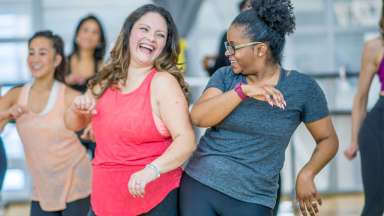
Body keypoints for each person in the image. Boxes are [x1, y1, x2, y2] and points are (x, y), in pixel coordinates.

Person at [180, 0, 339, 215]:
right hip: (201, 184)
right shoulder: (226, 77)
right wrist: (242, 92)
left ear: (260, 49)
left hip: (254, 199)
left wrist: (307, 173)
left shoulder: (302, 88)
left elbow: (328, 140)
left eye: (233, 47)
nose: (228, 54)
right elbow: (198, 116)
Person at [64, 4, 196, 216]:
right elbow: (72, 124)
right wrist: (76, 108)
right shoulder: (105, 81)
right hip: (103, 201)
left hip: (153, 200)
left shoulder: (163, 82)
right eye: (144, 29)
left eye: (159, 34)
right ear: (128, 33)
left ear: (164, 45)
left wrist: (152, 170)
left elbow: (186, 139)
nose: (151, 38)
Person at [0, 31, 91, 216]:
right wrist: (6, 114)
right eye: (31, 52)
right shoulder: (16, 96)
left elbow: (94, 128)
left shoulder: (70, 96)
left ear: (57, 60)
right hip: (42, 189)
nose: (35, 58)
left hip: (77, 183)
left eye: (42, 53)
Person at [344, 2, 384, 214]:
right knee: (375, 203)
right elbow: (360, 98)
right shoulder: (374, 47)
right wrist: (353, 140)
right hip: (378, 127)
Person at [66, 14, 106, 158]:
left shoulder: (103, 67)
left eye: (95, 32)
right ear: (77, 34)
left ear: (100, 40)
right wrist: (65, 80)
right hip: (67, 127)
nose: (89, 35)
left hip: (94, 126)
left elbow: (105, 101)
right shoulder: (63, 64)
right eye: (86, 30)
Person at [202, 0, 252, 76]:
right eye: (248, 6)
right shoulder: (228, 35)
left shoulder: (268, 34)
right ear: (241, 11)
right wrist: (208, 67)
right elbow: (222, 62)